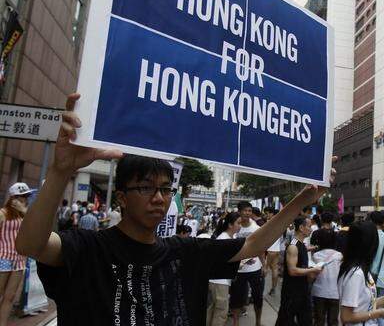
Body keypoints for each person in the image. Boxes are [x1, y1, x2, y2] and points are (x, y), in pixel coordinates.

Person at [15, 92, 335, 326]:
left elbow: (254, 243)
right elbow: (31, 244)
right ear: (122, 197)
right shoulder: (89, 247)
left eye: (166, 189)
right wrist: (59, 172)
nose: (159, 198)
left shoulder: (185, 252)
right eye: (146, 187)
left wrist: (303, 200)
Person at [338, 221, 384, 325]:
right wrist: (378, 313)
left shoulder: (360, 269)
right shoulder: (356, 274)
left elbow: (363, 304)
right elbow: (346, 316)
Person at [275, 216, 322, 325]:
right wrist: (312, 270)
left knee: (305, 319)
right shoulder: (293, 247)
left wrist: (311, 271)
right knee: (286, 319)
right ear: (301, 227)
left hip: (303, 289)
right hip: (291, 291)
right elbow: (292, 270)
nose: (311, 229)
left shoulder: (301, 245)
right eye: (309, 226)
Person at [200, 212, 241, 326]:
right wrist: (239, 264)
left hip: (218, 280)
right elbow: (221, 261)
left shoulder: (227, 237)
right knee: (221, 312)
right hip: (220, 281)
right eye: (238, 223)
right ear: (230, 225)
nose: (240, 226)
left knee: (213, 310)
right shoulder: (224, 239)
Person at [0, 183, 31, 326]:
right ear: (13, 198)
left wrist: (24, 211)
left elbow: (32, 229)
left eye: (27, 196)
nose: (26, 199)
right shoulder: (3, 213)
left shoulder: (24, 214)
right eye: (23, 196)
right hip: (3, 256)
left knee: (10, 297)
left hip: (19, 260)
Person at [230, 201, 265, 326]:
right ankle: (235, 322)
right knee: (236, 299)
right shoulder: (234, 227)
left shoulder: (256, 228)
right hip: (238, 270)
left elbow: (260, 248)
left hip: (255, 269)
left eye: (249, 211)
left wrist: (264, 265)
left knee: (258, 298)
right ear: (239, 211)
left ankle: (258, 322)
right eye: (245, 210)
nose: (247, 213)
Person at [311, 228, 342, 326]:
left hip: (319, 292)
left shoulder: (316, 256)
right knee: (333, 321)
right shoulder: (339, 256)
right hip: (335, 292)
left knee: (319, 320)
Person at [263, 207, 282, 296]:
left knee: (264, 268)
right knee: (274, 269)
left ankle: (260, 288)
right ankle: (273, 289)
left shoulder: (268, 223)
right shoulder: (280, 223)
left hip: (269, 250)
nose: (266, 215)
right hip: (277, 249)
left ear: (271, 214)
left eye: (267, 213)